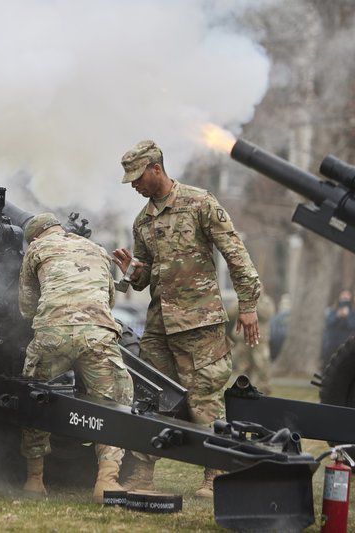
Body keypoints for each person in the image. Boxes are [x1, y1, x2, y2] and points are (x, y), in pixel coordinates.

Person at [112, 140, 261, 499]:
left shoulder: (200, 203)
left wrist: (248, 303)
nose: (134, 184)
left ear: (156, 169)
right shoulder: (142, 220)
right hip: (160, 325)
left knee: (204, 398)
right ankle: (141, 476)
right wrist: (132, 270)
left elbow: (234, 251)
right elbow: (145, 277)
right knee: (147, 396)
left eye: (137, 177)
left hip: (199, 322)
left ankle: (215, 475)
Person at [18, 212, 133, 503]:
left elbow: (27, 305)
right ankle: (106, 482)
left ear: (34, 236)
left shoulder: (36, 249)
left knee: (36, 398)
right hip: (97, 333)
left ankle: (34, 480)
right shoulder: (96, 249)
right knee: (113, 404)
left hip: (51, 333)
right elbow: (109, 299)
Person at [228, 291, 276, 395]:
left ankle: (262, 390)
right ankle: (242, 390)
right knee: (242, 366)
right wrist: (242, 302)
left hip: (259, 340)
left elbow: (267, 314)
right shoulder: (240, 299)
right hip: (243, 339)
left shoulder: (265, 301)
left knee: (261, 365)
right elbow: (231, 312)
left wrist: (254, 303)